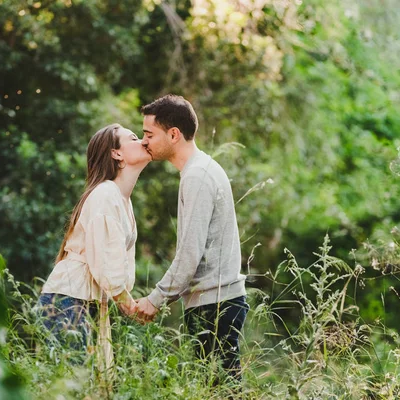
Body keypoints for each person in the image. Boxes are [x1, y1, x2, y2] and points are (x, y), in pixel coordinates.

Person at [136, 95, 248, 382]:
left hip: (215, 305)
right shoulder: (199, 170)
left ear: (174, 134)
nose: (144, 141)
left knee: (221, 390)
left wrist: (155, 299)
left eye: (149, 134)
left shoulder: (197, 175)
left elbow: (189, 253)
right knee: (221, 389)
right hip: (216, 302)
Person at [39, 123, 151, 369]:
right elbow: (107, 267)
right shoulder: (105, 194)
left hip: (86, 300)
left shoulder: (123, 200)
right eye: (133, 137)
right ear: (116, 153)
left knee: (88, 387)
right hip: (68, 299)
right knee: (71, 387)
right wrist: (130, 305)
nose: (143, 140)